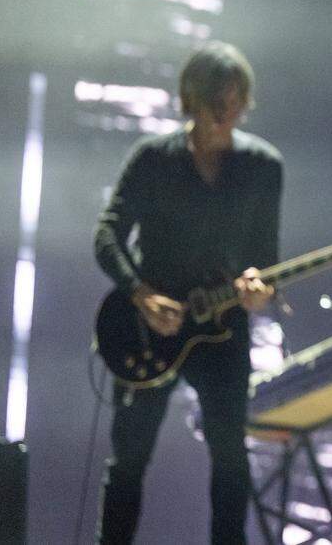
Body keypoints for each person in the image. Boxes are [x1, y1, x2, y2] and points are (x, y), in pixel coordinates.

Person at [93, 41, 283, 544]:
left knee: (230, 461)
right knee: (128, 462)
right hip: (148, 329)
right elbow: (107, 234)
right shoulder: (153, 158)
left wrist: (259, 290)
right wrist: (140, 294)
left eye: (235, 103)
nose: (226, 115)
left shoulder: (264, 166)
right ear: (189, 100)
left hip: (221, 334)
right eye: (215, 103)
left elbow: (266, 260)